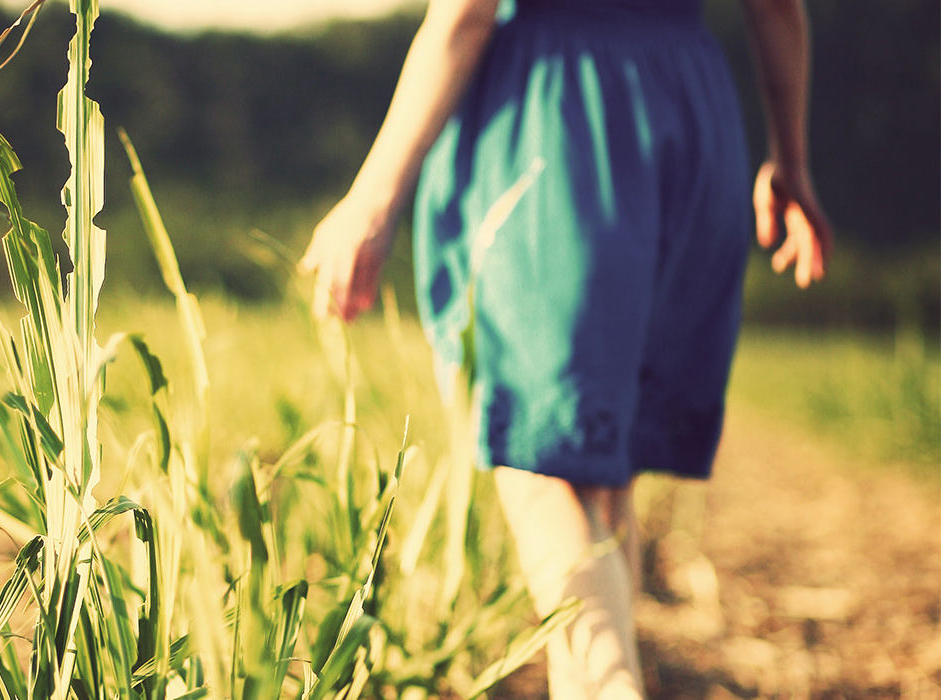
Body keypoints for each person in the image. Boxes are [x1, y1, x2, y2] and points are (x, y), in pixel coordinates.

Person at [299, 0, 832, 697]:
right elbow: (778, 7)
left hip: (559, 119)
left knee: (538, 458)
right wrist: (790, 158)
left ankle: (616, 690)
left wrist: (371, 200)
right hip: (690, 116)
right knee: (601, 479)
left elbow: (466, 14)